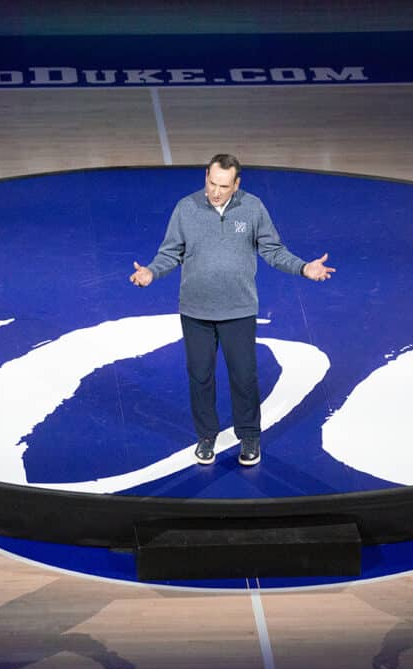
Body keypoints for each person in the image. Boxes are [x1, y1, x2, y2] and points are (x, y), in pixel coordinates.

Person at [130, 154, 334, 466]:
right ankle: (206, 436)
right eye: (212, 183)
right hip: (195, 312)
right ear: (206, 178)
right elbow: (170, 252)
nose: (215, 192)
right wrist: (151, 273)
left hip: (238, 310)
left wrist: (304, 268)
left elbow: (273, 250)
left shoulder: (252, 208)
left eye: (224, 186)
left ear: (236, 184)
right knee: (200, 377)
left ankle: (249, 436)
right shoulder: (186, 208)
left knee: (244, 377)